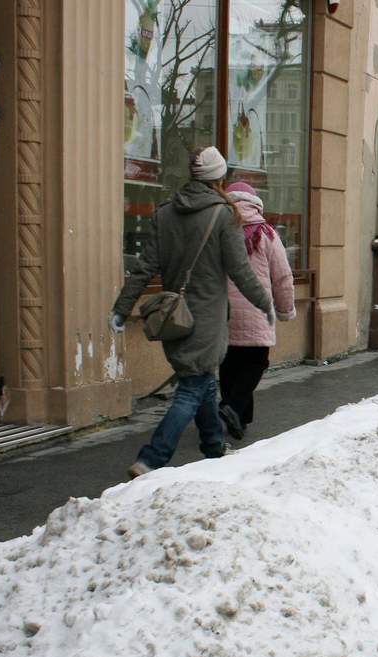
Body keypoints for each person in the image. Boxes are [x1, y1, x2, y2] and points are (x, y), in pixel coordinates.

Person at [111, 147, 273, 478]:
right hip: (207, 320)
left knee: (203, 384)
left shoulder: (165, 212)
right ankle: (152, 458)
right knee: (191, 389)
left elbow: (144, 268)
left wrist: (120, 309)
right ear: (220, 178)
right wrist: (264, 303)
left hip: (175, 317)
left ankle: (214, 448)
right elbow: (241, 270)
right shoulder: (223, 215)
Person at [216, 182, 296, 441]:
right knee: (256, 362)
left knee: (230, 364)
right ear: (255, 204)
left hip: (222, 310)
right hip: (257, 309)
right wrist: (285, 310)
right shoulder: (267, 233)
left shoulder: (219, 230)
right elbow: (282, 276)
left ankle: (240, 417)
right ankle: (232, 407)